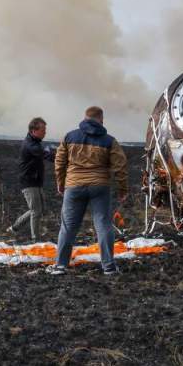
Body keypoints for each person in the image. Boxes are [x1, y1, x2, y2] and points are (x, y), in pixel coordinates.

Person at [47, 106, 128, 276]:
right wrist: (122, 188)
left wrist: (60, 183)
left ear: (85, 118)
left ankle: (60, 265)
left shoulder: (69, 136)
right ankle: (109, 267)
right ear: (101, 119)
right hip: (100, 186)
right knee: (103, 225)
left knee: (68, 226)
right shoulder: (109, 140)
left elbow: (59, 162)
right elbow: (120, 166)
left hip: (74, 186)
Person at [7, 117, 53, 241]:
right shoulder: (31, 145)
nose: (45, 132)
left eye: (45, 129)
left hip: (35, 181)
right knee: (36, 211)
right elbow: (48, 156)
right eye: (43, 130)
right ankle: (35, 239)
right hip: (29, 182)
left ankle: (14, 228)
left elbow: (46, 153)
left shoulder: (35, 142)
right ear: (33, 131)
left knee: (38, 209)